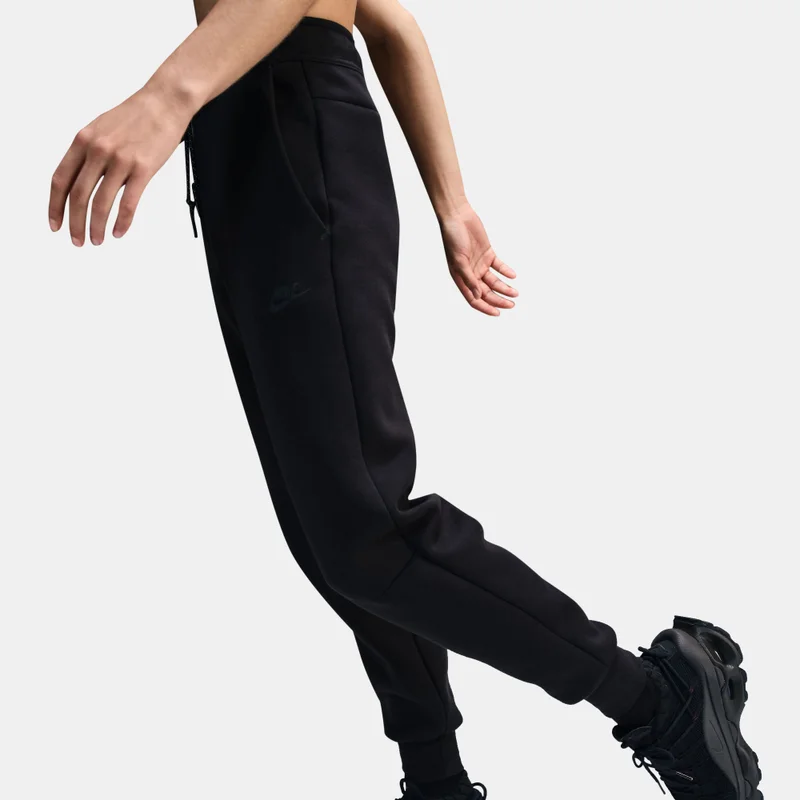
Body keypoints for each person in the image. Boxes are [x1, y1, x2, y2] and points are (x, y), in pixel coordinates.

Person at [48, 1, 764, 798]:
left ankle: (659, 699)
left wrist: (167, 95)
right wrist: (451, 203)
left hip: (285, 113)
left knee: (367, 530)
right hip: (242, 130)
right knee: (328, 536)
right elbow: (389, 21)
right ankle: (436, 780)